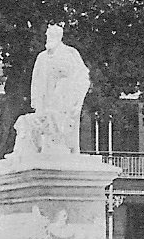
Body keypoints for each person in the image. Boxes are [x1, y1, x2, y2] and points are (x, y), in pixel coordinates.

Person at [13, 24, 90, 155]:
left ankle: (57, 146)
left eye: (51, 36)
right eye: (47, 36)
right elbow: (36, 81)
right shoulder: (42, 57)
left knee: (56, 121)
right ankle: (40, 147)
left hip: (65, 99)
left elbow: (82, 75)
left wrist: (74, 96)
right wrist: (36, 101)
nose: (48, 39)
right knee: (33, 122)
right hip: (45, 98)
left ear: (59, 37)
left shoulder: (70, 53)